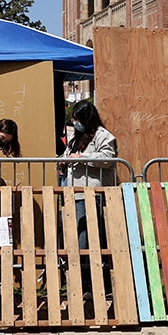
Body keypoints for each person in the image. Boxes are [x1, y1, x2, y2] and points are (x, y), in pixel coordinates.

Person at [60, 101, 118, 268]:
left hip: (91, 192)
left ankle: (88, 276)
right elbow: (68, 155)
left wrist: (82, 158)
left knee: (86, 236)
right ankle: (78, 273)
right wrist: (63, 161)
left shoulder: (103, 136)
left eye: (77, 119)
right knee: (75, 232)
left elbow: (107, 158)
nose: (75, 123)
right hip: (73, 191)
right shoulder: (75, 138)